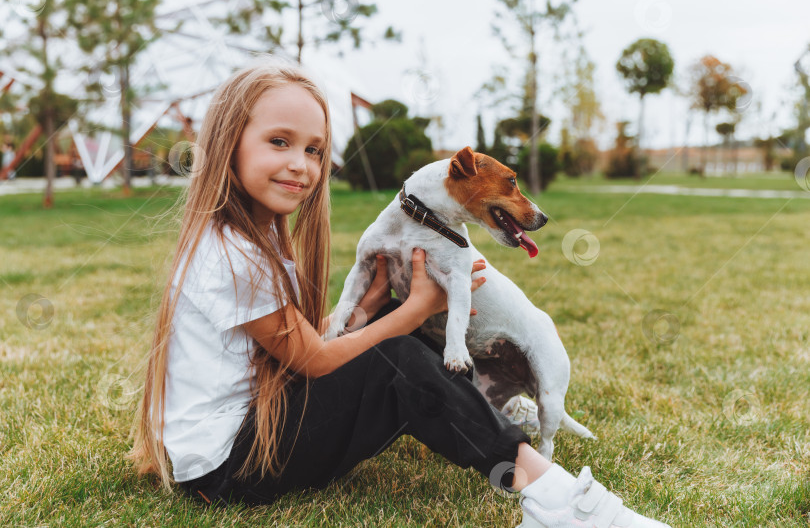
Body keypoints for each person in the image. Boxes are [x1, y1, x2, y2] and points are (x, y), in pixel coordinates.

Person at [128, 59, 670, 528]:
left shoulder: (254, 235)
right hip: (230, 469)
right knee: (399, 354)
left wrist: (372, 308)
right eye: (279, 142)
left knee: (396, 323)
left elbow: (286, 352)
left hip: (250, 437)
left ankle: (495, 415)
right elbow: (313, 362)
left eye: (315, 150)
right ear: (227, 144)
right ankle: (552, 497)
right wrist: (411, 312)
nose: (301, 163)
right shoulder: (231, 253)